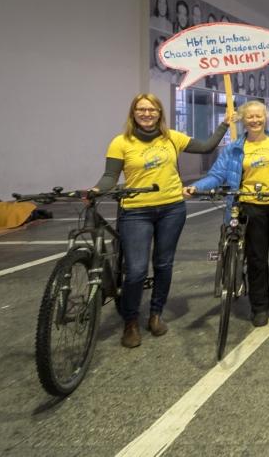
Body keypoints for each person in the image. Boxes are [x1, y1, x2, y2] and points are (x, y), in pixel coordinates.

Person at [92, 94, 234, 348]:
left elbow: (206, 146)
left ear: (160, 113)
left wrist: (224, 124)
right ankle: (131, 321)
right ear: (133, 113)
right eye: (141, 109)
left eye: (152, 109)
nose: (147, 114)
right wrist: (94, 191)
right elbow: (110, 176)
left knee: (163, 263)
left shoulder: (172, 137)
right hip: (135, 211)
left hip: (171, 208)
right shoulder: (120, 142)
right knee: (135, 270)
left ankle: (156, 314)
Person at [185, 101, 269, 325]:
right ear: (244, 120)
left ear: (265, 118)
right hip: (249, 208)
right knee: (256, 259)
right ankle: (259, 307)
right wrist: (197, 186)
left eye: (259, 116)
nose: (255, 120)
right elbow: (217, 175)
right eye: (250, 117)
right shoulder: (235, 148)